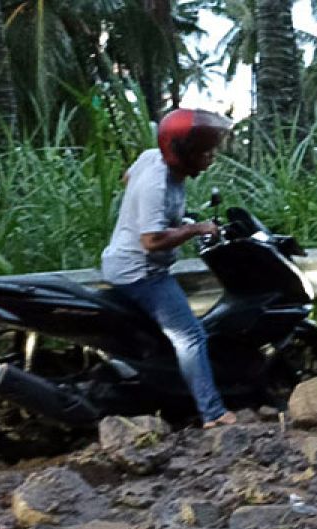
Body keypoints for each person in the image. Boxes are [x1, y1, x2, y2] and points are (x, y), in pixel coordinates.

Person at [100, 108, 236, 428]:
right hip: (141, 271)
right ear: (184, 154)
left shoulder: (151, 158)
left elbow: (126, 178)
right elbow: (150, 240)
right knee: (190, 335)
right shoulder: (156, 185)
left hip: (124, 262)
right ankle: (213, 412)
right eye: (205, 152)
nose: (211, 157)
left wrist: (178, 219)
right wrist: (194, 229)